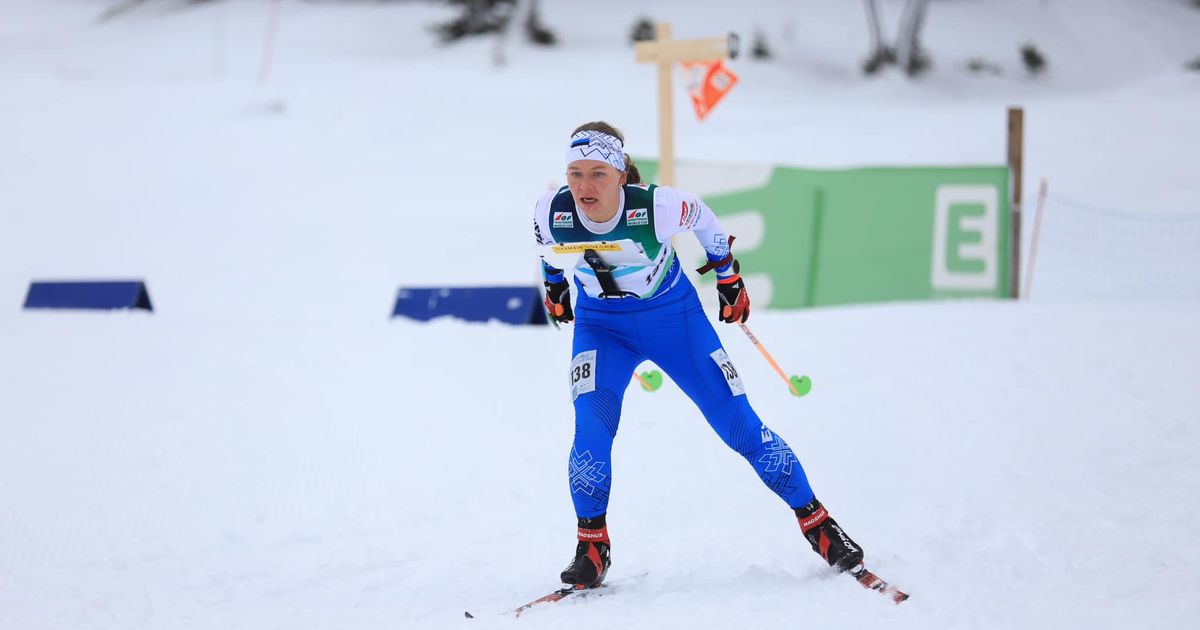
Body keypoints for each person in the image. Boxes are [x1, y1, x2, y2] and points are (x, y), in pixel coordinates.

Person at [533, 122, 866, 590]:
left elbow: (705, 220)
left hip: (674, 321)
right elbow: (548, 250)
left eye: (598, 174)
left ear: (620, 173)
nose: (585, 187)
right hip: (601, 328)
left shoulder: (657, 206)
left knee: (739, 425)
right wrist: (554, 286)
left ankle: (818, 523)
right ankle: (592, 546)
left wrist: (728, 278)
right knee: (590, 428)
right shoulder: (551, 210)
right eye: (575, 173)